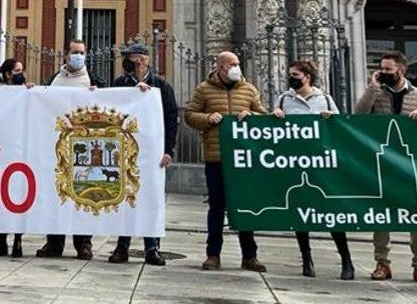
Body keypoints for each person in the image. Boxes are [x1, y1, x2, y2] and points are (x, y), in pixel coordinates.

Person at [183, 51, 267, 272]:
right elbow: (190, 115)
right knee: (216, 207)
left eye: (238, 63)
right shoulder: (204, 89)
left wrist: (252, 116)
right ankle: (213, 255)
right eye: (232, 64)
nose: (236, 67)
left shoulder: (249, 89)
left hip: (243, 159)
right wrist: (207, 119)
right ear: (220, 67)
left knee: (245, 206)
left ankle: (250, 255)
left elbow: (264, 116)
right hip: (216, 158)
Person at [354, 51, 417, 284]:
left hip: (411, 165)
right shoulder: (377, 94)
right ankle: (382, 263)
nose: (384, 73)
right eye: (382, 69)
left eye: (389, 69)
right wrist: (372, 87)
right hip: (384, 163)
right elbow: (359, 114)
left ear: (402, 70)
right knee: (382, 216)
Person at [271, 60, 353, 280]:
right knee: (300, 211)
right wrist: (275, 115)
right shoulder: (283, 99)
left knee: (331, 211)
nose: (291, 78)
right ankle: (306, 259)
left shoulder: (324, 98)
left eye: (295, 74)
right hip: (295, 162)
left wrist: (330, 118)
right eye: (290, 74)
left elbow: (340, 126)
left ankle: (346, 260)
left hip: (321, 162)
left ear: (307, 76)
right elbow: (273, 129)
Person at [108, 42, 177, 266]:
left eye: (134, 58)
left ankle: (152, 247)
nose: (130, 62)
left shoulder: (161, 86)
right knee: (125, 197)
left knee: (151, 199)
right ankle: (122, 246)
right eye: (127, 58)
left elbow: (171, 119)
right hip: (125, 151)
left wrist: (169, 150)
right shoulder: (120, 83)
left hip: (153, 152)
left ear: (145, 60)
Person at [38, 39, 95, 260]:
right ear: (66, 55)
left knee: (83, 193)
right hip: (56, 146)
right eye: (74, 52)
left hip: (82, 147)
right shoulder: (55, 79)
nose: (78, 56)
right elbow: (42, 100)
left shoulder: (94, 80)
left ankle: (84, 244)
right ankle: (54, 243)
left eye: (81, 52)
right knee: (55, 195)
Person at [0, 57, 28, 258]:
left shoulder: (27, 93)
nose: (20, 74)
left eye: (22, 70)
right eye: (16, 71)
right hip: (0, 150)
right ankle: (2, 240)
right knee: (1, 196)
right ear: (6, 74)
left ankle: (18, 240)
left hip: (20, 150)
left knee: (18, 196)